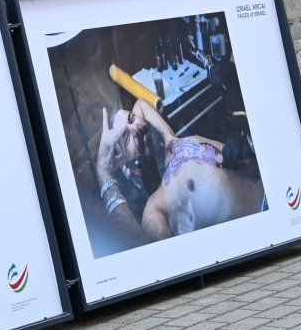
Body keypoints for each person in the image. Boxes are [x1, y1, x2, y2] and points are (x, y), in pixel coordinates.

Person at [94, 98, 262, 242]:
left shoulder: (170, 140)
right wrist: (105, 167)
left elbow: (140, 104)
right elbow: (150, 254)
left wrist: (249, 147)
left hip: (269, 192)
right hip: (257, 234)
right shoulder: (155, 208)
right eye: (125, 136)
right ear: (124, 167)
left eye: (132, 119)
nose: (135, 128)